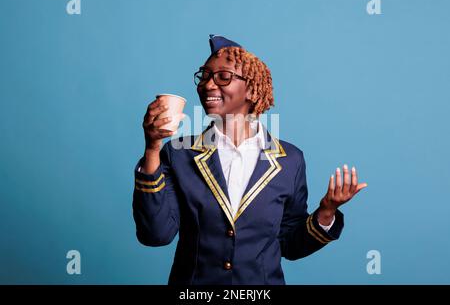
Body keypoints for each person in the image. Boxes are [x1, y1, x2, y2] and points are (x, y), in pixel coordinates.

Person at [132, 34, 368, 285]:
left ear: (253, 90)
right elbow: (155, 235)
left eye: (223, 77)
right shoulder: (178, 153)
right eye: (204, 76)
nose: (208, 85)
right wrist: (153, 148)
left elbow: (290, 245)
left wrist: (326, 211)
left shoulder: (290, 160)